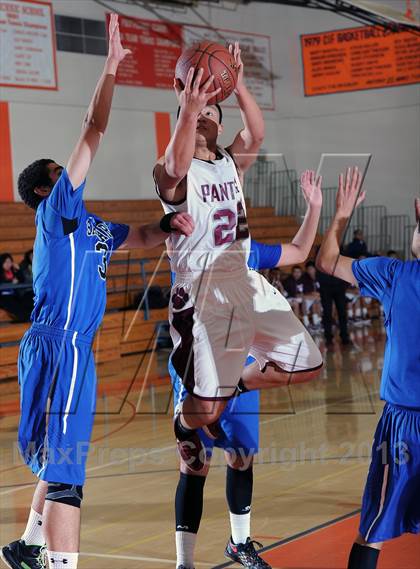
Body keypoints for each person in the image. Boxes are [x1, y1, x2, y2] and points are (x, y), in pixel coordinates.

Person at [0, 16, 194, 569]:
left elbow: (138, 236)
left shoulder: (91, 225)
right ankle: (62, 564)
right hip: (58, 345)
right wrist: (109, 68)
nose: (74, 179)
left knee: (62, 460)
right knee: (67, 474)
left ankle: (27, 546)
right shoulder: (56, 213)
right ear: (46, 189)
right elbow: (92, 128)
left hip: (75, 352)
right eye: (63, 176)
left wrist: (168, 228)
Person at [154, 40, 323, 476]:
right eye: (197, 116)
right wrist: (188, 108)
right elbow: (173, 166)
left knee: (306, 366)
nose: (206, 117)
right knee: (205, 413)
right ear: (185, 124)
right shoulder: (171, 171)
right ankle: (183, 419)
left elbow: (257, 133)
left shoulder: (231, 161)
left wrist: (241, 83)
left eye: (213, 114)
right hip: (203, 293)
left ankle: (238, 384)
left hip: (245, 282)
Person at [172, 175, 323, 569]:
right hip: (200, 368)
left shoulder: (250, 252)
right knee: (194, 462)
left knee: (241, 456)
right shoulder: (194, 249)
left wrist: (315, 208)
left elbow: (300, 250)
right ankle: (184, 562)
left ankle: (240, 544)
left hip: (241, 372)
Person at [317, 167, 420, 569]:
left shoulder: (394, 274)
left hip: (404, 426)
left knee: (374, 530)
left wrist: (341, 215)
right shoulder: (394, 274)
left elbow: (326, 261)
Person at [0, 253, 33, 321]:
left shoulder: (13, 271)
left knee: (27, 300)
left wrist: (18, 269)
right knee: (13, 304)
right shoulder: (0, 272)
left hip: (14, 295)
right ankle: (24, 318)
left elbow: (22, 279)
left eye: (10, 262)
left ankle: (27, 318)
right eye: (6, 262)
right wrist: (11, 282)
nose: (8, 264)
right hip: (3, 296)